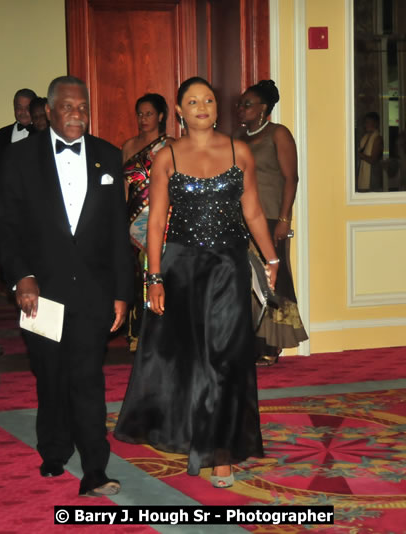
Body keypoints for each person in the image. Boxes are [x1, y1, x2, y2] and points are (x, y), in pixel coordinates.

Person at [114, 77, 279, 488]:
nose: (202, 105)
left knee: (225, 357)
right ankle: (192, 433)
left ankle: (221, 453)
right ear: (180, 111)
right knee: (189, 359)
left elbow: (254, 210)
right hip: (181, 267)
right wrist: (153, 277)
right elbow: (155, 223)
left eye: (208, 99)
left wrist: (271, 258)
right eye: (192, 101)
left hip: (228, 266)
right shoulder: (166, 156)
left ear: (216, 108)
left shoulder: (239, 150)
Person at [0, 75, 132, 497]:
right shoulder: (18, 158)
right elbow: (7, 227)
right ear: (49, 112)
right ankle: (53, 448)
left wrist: (123, 291)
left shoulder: (108, 157)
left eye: (83, 107)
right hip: (42, 292)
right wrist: (22, 276)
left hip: (93, 291)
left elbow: (115, 232)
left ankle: (95, 469)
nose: (77, 114)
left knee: (87, 379)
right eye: (68, 107)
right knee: (50, 375)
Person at [236, 80, 308, 366]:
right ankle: (249, 342)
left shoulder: (278, 134)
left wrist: (283, 219)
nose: (241, 109)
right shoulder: (238, 139)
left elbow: (292, 178)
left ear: (264, 108)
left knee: (273, 282)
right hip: (242, 220)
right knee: (246, 283)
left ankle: (271, 345)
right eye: (240, 105)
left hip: (270, 218)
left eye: (247, 104)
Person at [121, 93, 174, 351]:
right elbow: (125, 188)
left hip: (163, 217)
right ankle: (137, 332)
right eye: (140, 114)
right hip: (133, 219)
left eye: (149, 114)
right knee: (135, 275)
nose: (143, 119)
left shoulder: (172, 145)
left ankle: (161, 329)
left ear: (161, 116)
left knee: (156, 272)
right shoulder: (129, 146)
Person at [0, 88, 37, 179]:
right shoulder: (0, 135)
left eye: (27, 108)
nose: (23, 112)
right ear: (14, 108)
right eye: (19, 108)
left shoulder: (42, 134)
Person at [356, 111, 383, 192]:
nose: (365, 125)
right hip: (363, 174)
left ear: (375, 123)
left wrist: (359, 155)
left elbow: (373, 160)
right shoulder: (366, 137)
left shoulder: (378, 139)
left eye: (367, 122)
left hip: (372, 176)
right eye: (365, 122)